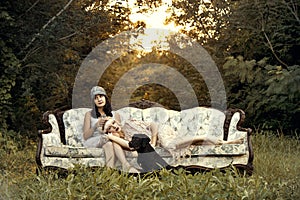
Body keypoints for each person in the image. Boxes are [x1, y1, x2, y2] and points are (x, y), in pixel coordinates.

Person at [103, 115, 244, 158]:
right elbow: (130, 147)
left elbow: (153, 125)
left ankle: (201, 136)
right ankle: (225, 142)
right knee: (186, 145)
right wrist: (111, 137)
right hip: (162, 142)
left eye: (113, 123)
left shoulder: (129, 123)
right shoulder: (122, 140)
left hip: (163, 132)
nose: (114, 126)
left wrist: (152, 139)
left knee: (170, 145)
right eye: (110, 128)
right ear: (108, 132)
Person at [82, 86, 139, 173]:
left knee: (109, 143)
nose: (99, 99)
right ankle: (126, 165)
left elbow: (120, 133)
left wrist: (110, 125)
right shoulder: (89, 114)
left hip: (110, 139)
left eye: (101, 96)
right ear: (93, 101)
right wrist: (96, 126)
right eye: (95, 98)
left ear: (105, 98)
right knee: (107, 139)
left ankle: (109, 172)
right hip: (95, 140)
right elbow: (86, 136)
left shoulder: (115, 114)